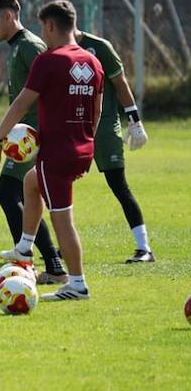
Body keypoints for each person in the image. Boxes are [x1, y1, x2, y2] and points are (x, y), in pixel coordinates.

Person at [0, 0, 104, 301]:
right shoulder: (92, 62)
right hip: (82, 147)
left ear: (51, 26)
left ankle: (77, 283)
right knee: (30, 182)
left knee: (62, 219)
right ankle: (25, 245)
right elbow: (96, 110)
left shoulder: (49, 61)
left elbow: (22, 103)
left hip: (57, 151)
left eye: (43, 26)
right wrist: (85, 140)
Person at [0, 0, 68, 284]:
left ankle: (33, 264)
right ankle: (47, 265)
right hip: (24, 137)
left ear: (9, 16)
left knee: (7, 194)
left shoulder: (30, 46)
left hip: (32, 138)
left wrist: (5, 136)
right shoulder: (17, 46)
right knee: (18, 196)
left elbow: (55, 83)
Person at [75, 27, 154, 262]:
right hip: (72, 129)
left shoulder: (100, 47)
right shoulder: (54, 50)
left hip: (105, 129)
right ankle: (67, 245)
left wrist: (135, 121)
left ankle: (144, 249)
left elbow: (120, 84)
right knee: (60, 186)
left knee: (119, 186)